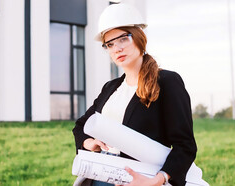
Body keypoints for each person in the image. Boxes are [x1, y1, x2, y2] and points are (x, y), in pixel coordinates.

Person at [72, 3, 197, 186]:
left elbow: (185, 146)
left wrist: (157, 180)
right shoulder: (111, 87)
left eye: (123, 39)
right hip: (100, 176)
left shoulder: (167, 82)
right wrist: (89, 143)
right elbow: (81, 126)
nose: (117, 48)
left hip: (141, 180)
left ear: (139, 38)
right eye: (110, 44)